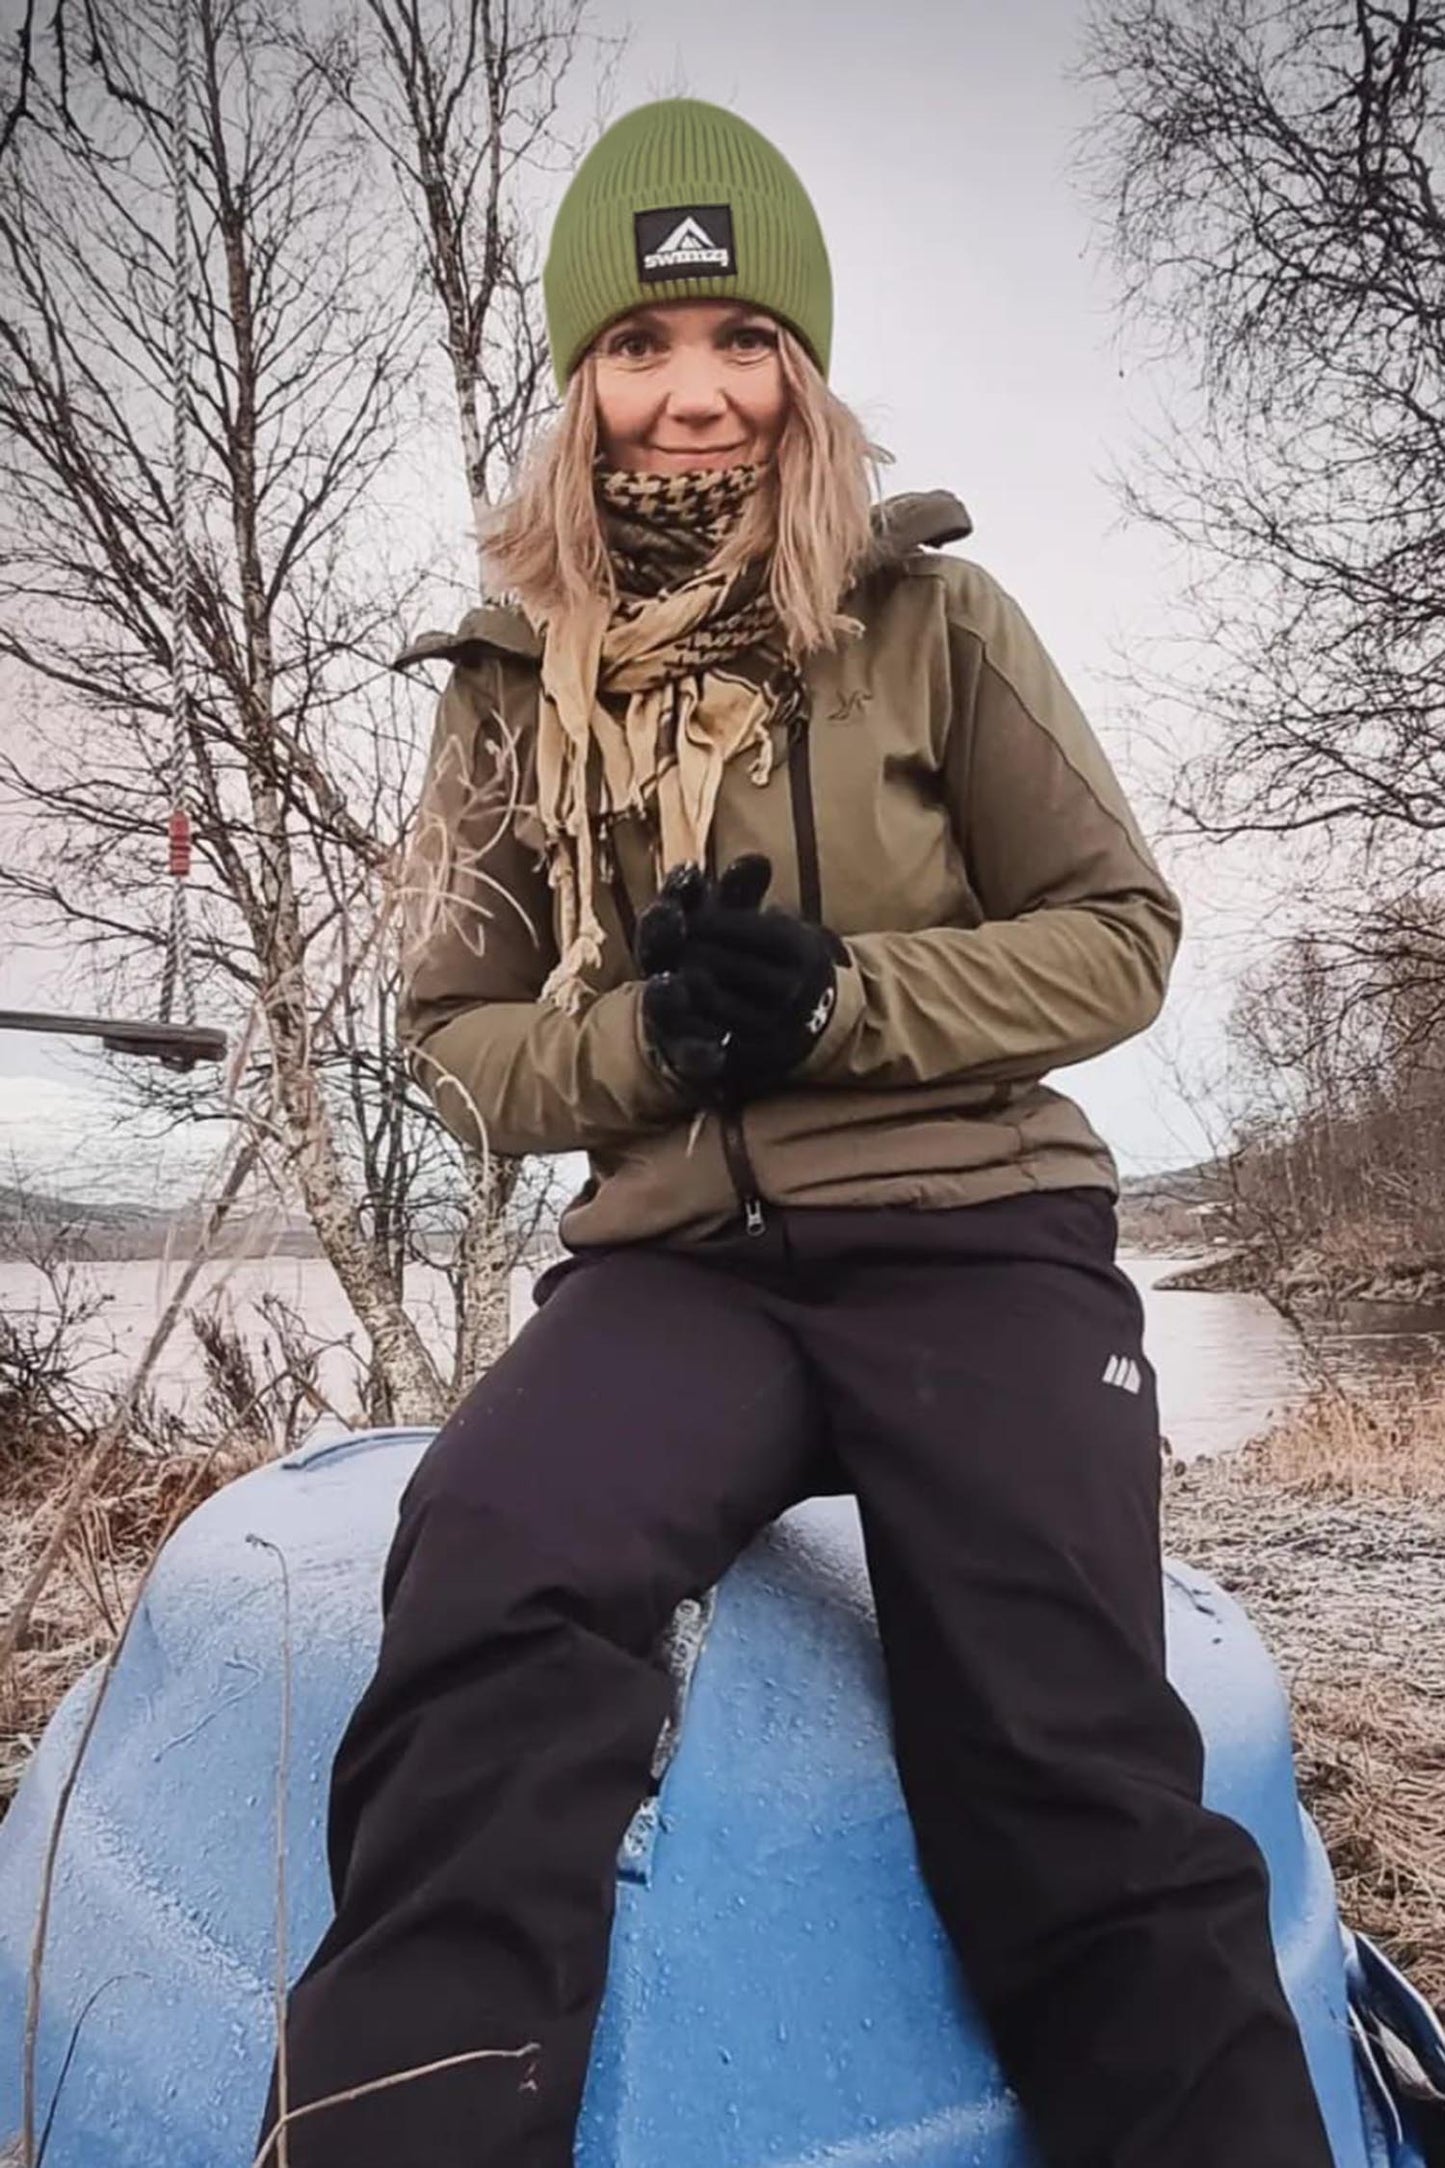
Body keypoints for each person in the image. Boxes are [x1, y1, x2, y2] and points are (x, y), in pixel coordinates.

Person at [257, 97, 1337, 2168]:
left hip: (978, 1239)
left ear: (801, 373)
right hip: (680, 1266)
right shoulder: (504, 689)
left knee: (1062, 1750)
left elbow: (1123, 936)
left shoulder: (936, 622)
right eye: (642, 350)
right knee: (492, 1564)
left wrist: (849, 1000)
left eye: (741, 342)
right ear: (582, 383)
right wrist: (654, 1041)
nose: (693, 398)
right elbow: (457, 1034)